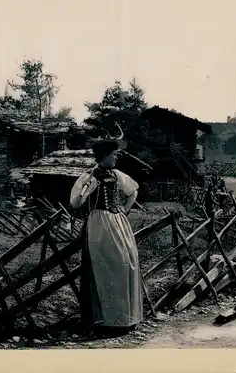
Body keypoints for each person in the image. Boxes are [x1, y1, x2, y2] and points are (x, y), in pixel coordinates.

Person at [70, 124, 142, 337]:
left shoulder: (117, 174)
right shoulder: (88, 177)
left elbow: (133, 190)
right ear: (104, 156)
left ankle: (126, 318)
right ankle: (107, 321)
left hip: (118, 222)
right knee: (107, 267)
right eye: (114, 154)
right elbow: (75, 203)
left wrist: (124, 210)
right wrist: (86, 190)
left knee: (127, 263)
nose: (116, 158)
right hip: (99, 225)